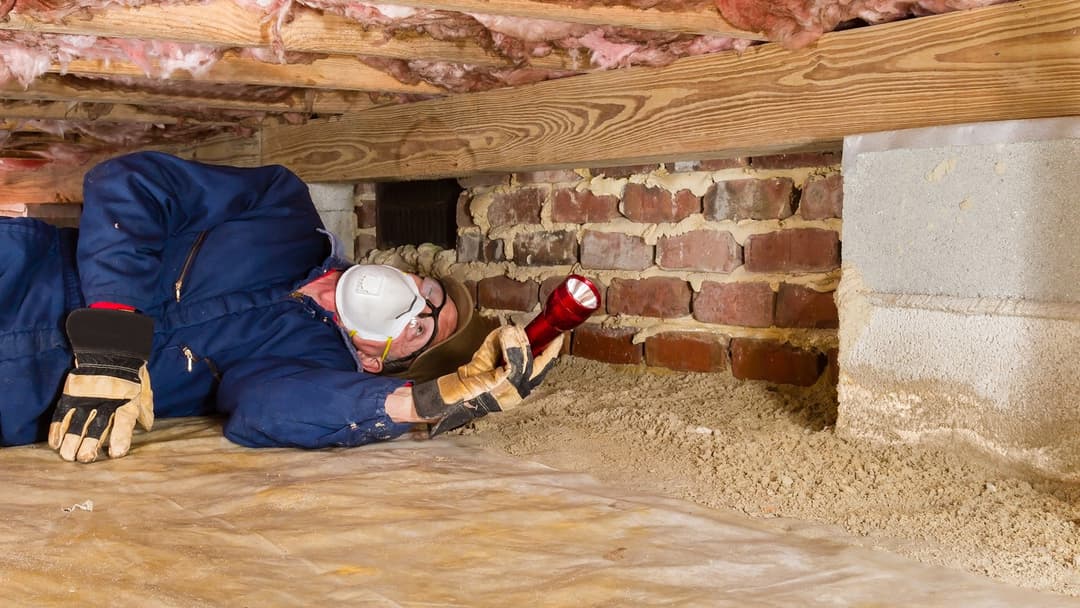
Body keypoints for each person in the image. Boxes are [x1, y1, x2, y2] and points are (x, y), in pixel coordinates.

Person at [0, 151, 562, 463]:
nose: (414, 305)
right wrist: (113, 338)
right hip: (20, 274)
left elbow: (265, 412)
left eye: (419, 329)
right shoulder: (282, 208)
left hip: (27, 395)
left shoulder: (313, 366)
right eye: (429, 294)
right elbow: (133, 183)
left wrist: (424, 401)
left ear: (375, 360)